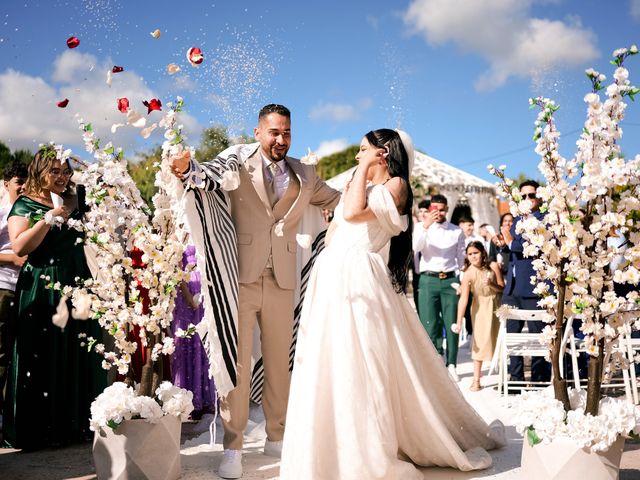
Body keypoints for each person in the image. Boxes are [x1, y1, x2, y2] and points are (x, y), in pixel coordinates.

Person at [280, 129, 505, 479]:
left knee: (361, 362)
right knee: (330, 360)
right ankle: (329, 446)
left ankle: (364, 452)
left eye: (363, 151)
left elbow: (354, 213)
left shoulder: (396, 186)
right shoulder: (365, 186)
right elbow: (339, 227)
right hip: (333, 278)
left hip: (359, 277)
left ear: (383, 153)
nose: (357, 157)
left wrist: (366, 167)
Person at [170, 104, 340, 479]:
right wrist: (185, 168)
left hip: (282, 279)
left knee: (281, 362)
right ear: (259, 131)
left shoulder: (305, 174)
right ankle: (233, 446)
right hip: (240, 277)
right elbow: (209, 176)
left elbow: (339, 201)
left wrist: (373, 205)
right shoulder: (237, 159)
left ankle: (276, 435)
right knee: (238, 363)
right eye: (274, 132)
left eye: (287, 133)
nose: (281, 140)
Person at [2, 146, 106, 449]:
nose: (62, 176)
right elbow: (20, 248)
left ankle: (75, 425)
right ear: (39, 170)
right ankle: (40, 429)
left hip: (78, 281)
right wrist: (47, 220)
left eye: (65, 170)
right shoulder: (24, 204)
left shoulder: (78, 198)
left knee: (79, 349)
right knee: (44, 352)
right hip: (43, 283)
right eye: (55, 171)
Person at [501, 180, 551, 390]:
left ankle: (539, 379)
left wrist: (510, 241)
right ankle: (515, 380)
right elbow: (511, 251)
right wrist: (504, 244)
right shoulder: (516, 221)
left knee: (539, 336)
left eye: (531, 195)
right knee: (512, 336)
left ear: (539, 197)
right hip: (511, 288)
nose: (528, 200)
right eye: (523, 196)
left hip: (533, 287)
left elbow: (532, 246)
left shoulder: (546, 220)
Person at [413, 193, 465, 381]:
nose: (439, 213)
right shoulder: (420, 227)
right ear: (430, 210)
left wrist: (462, 281)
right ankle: (435, 360)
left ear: (447, 210)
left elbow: (461, 259)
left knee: (452, 323)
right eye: (435, 209)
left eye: (442, 209)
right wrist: (426, 226)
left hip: (450, 280)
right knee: (430, 323)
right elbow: (415, 248)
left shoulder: (456, 231)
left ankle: (452, 363)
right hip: (428, 280)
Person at [170, 243, 217, 419]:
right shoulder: (177, 229)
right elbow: (174, 266)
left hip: (204, 291)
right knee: (185, 343)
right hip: (185, 295)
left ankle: (205, 400)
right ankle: (186, 402)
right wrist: (189, 296)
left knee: (203, 344)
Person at [454, 241, 504, 391]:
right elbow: (463, 299)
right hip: (480, 308)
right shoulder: (468, 273)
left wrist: (491, 284)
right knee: (480, 341)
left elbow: (502, 288)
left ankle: (503, 376)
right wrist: (458, 322)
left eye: (475, 253)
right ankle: (476, 379)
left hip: (496, 305)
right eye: (470, 254)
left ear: (482, 253)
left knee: (498, 339)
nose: (473, 256)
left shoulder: (493, 266)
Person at [0, 162, 27, 409]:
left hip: (28, 290)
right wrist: (12, 258)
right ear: (7, 184)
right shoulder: (2, 212)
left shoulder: (32, 212)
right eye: (19, 182)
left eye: (27, 181)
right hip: (4, 287)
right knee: (1, 352)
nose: (23, 186)